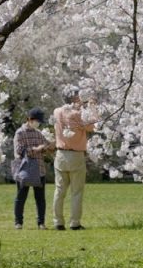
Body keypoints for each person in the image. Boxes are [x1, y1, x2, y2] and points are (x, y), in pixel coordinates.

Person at [52, 90, 97, 230]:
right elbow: (93, 126)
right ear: (74, 99)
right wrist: (92, 107)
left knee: (59, 190)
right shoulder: (79, 114)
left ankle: (58, 221)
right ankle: (75, 222)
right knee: (76, 191)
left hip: (60, 154)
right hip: (76, 154)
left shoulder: (57, 112)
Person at [12, 107, 54, 229]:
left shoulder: (38, 133)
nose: (38, 124)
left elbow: (45, 146)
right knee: (21, 197)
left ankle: (41, 222)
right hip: (24, 169)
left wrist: (49, 147)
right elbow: (19, 151)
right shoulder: (20, 133)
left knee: (40, 198)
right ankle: (18, 222)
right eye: (37, 121)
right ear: (30, 119)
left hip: (40, 169)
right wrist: (36, 149)